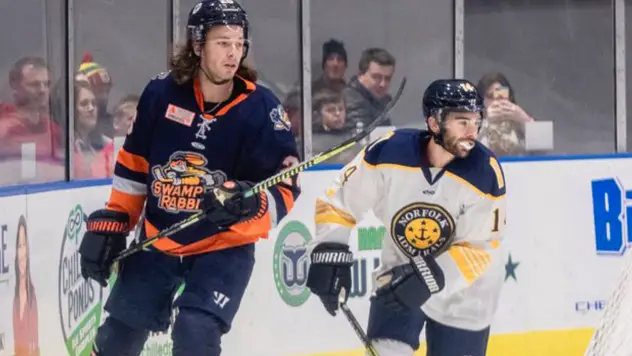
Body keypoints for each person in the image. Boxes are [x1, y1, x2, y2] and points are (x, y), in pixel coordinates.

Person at [77, 1, 300, 355]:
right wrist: (119, 220)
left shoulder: (263, 110)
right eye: (223, 42)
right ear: (197, 45)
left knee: (196, 331)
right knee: (117, 338)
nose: (234, 53)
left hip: (222, 246)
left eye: (239, 43)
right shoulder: (160, 94)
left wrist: (248, 205)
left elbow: (286, 186)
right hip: (159, 236)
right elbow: (135, 166)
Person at [306, 79, 507, 356]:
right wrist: (330, 248)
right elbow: (338, 202)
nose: (472, 131)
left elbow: (480, 248)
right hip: (399, 278)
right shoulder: (389, 153)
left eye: (476, 121)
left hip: (464, 296)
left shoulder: (484, 173)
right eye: (462, 122)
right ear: (435, 123)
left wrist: (428, 276)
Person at [13, 215, 40, 356]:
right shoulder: (15, 300)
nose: (22, 252)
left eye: (24, 245)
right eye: (19, 246)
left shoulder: (32, 298)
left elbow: (35, 344)